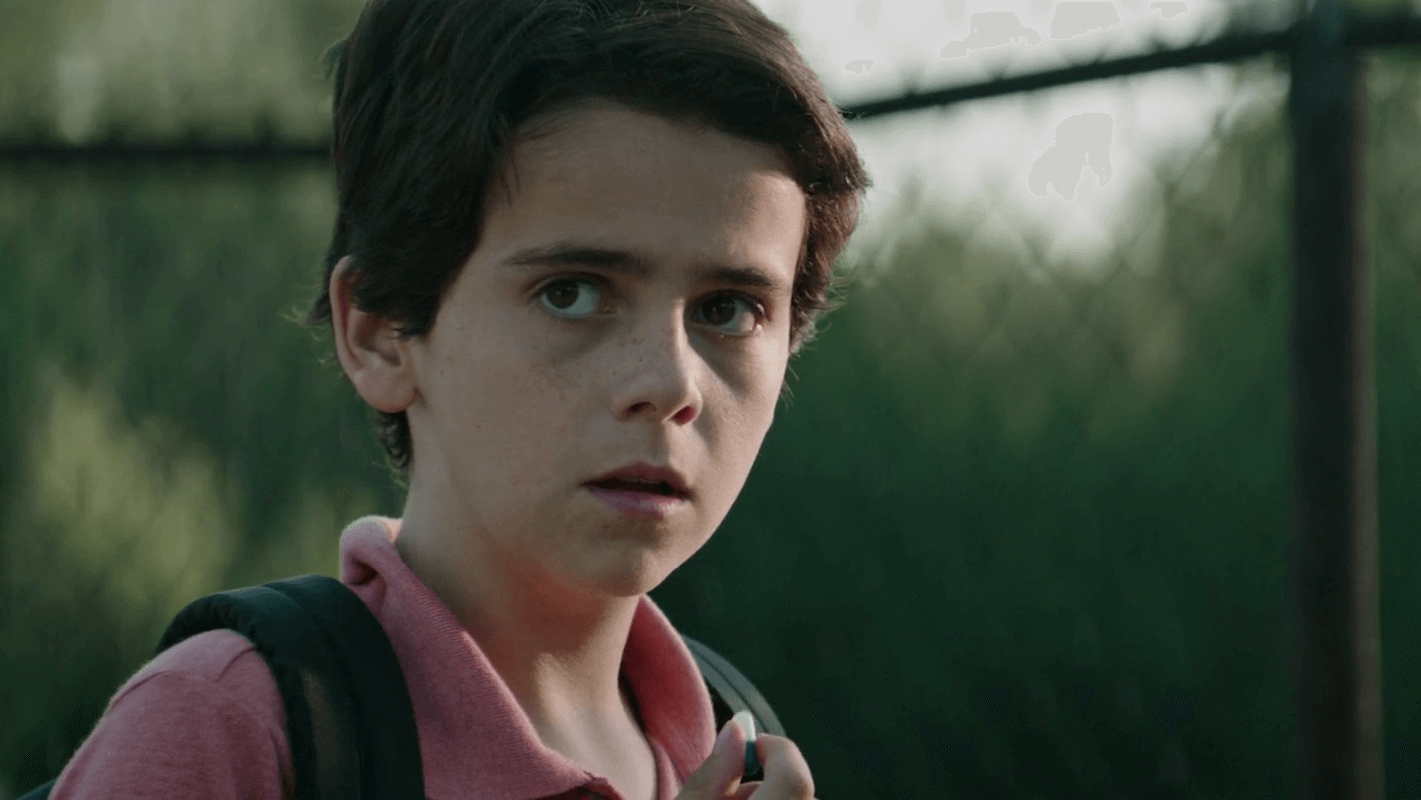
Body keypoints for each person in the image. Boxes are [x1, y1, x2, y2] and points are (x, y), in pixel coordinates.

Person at [48, 0, 870, 797]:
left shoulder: (733, 749)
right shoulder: (230, 720)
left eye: (728, 310)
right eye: (572, 293)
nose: (669, 383)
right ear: (381, 333)